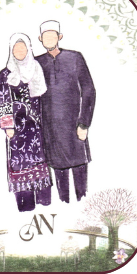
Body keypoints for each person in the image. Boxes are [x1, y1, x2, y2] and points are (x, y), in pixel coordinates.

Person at [35, 20, 96, 204]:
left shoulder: (75, 57)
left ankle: (81, 206)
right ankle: (65, 207)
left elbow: (89, 90)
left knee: (79, 173)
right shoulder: (37, 63)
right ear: (40, 39)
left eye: (53, 35)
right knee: (59, 173)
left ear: (59, 37)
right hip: (51, 130)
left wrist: (84, 123)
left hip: (74, 127)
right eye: (45, 36)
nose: (49, 39)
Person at [0, 32, 53, 212]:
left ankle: (45, 204)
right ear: (11, 50)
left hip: (36, 128)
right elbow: (3, 99)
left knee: (39, 163)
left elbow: (43, 98)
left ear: (29, 48)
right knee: (21, 165)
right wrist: (8, 126)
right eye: (16, 47)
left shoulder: (36, 68)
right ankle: (26, 207)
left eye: (22, 47)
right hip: (18, 130)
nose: (19, 50)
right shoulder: (5, 74)